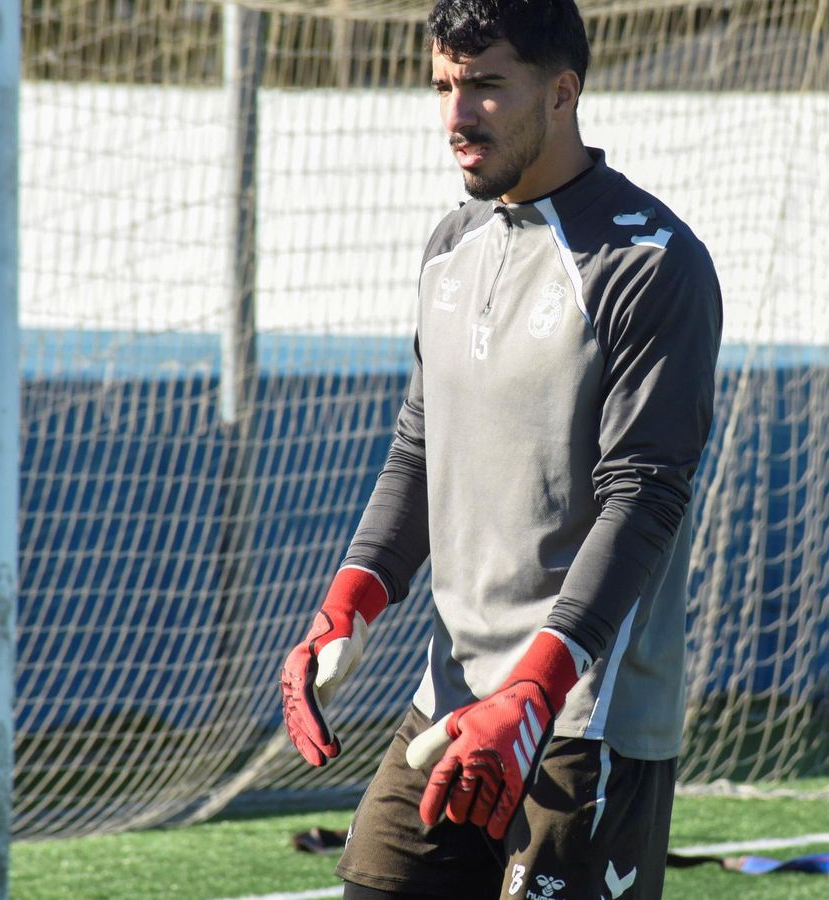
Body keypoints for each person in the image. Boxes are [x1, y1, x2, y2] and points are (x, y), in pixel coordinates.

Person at [278, 1, 722, 898]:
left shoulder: (652, 261)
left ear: (562, 92)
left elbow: (644, 496)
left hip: (584, 718)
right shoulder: (451, 244)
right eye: (443, 85)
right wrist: (347, 601)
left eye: (485, 85)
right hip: (450, 700)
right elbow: (420, 449)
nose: (456, 114)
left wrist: (536, 691)